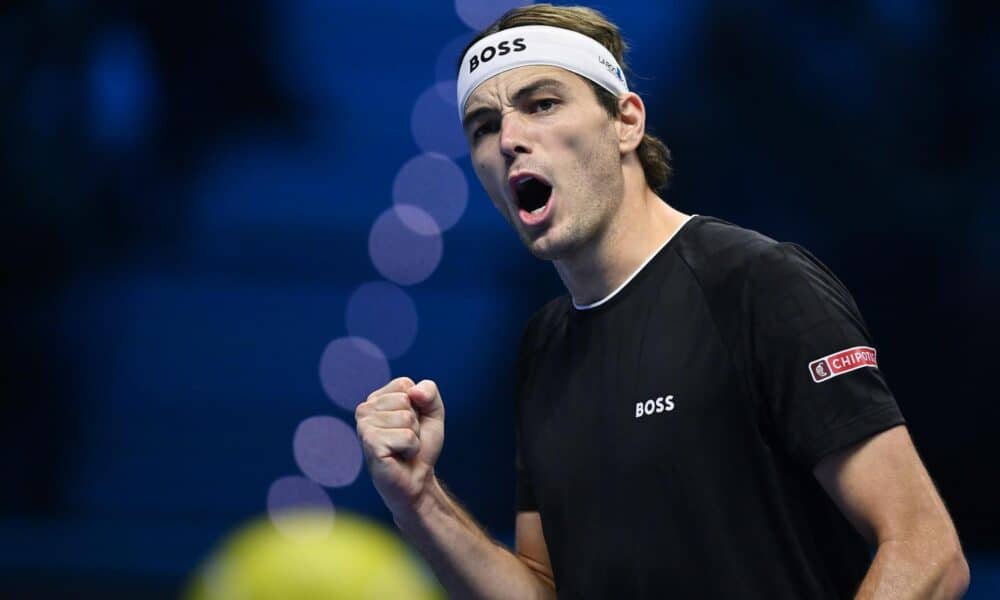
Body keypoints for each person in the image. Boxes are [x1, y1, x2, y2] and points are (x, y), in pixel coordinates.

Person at [354, 4, 970, 598]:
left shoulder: (758, 284)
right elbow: (545, 591)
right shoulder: (542, 345)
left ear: (626, 121)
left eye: (542, 103)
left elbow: (927, 552)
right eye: (484, 127)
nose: (510, 138)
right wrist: (420, 499)